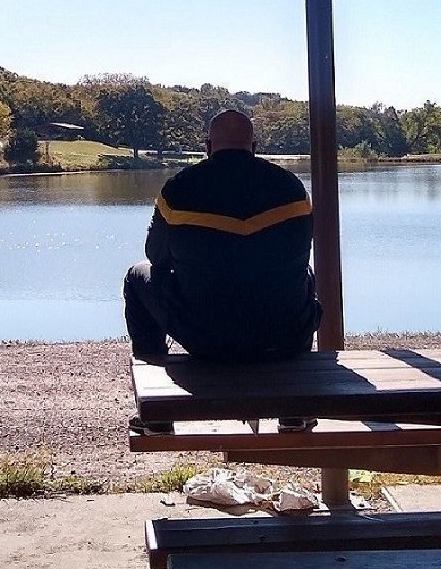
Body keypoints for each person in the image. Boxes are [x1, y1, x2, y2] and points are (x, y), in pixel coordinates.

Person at [124, 109, 321, 431]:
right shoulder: (291, 189)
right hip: (282, 337)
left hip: (207, 339)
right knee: (304, 275)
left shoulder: (178, 190)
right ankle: (293, 412)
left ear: (207, 146)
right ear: (254, 147)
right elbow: (301, 250)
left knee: (137, 276)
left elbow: (155, 256)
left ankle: (158, 414)